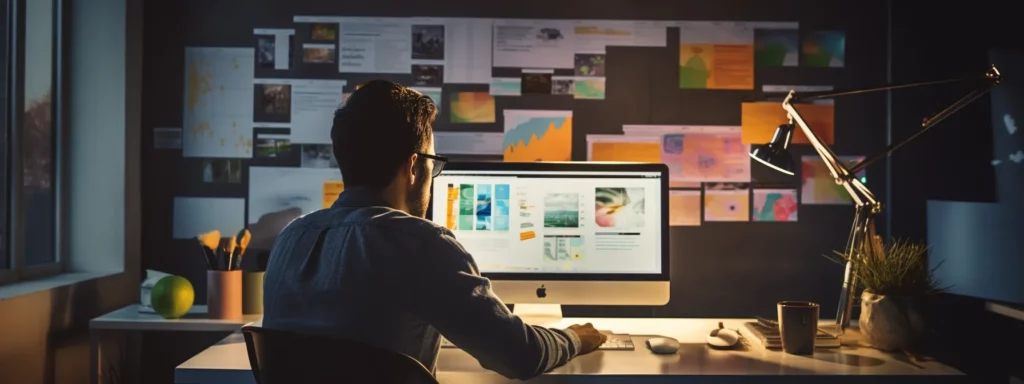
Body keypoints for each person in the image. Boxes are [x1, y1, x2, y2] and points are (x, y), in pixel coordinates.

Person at [262, 80, 607, 380]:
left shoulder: (291, 239)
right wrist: (575, 338)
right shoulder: (420, 242)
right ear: (414, 166)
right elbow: (521, 355)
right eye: (433, 162)